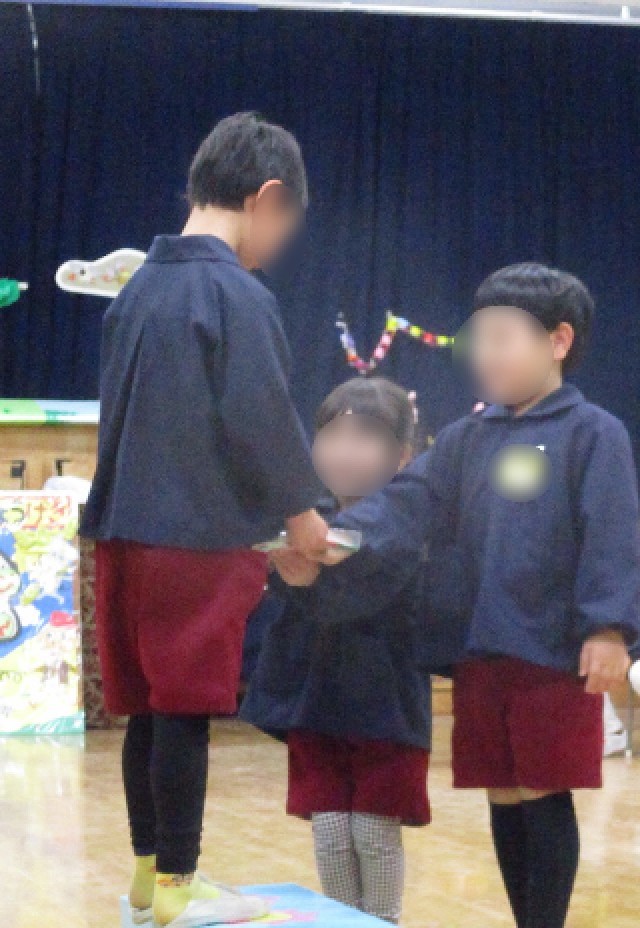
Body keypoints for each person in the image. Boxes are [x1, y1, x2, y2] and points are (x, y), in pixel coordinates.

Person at [287, 263, 640, 928]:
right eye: (481, 338)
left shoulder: (595, 434)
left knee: (542, 790)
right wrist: (336, 537)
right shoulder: (466, 438)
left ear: (558, 340)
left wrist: (608, 627)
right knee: (503, 794)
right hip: (482, 648)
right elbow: (406, 502)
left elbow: (613, 535)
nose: (487, 354)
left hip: (553, 652)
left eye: (504, 338)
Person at [80, 112, 328, 928]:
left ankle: (150, 875)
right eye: (285, 224)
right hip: (193, 539)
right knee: (184, 709)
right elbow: (261, 417)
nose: (277, 246)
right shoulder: (236, 294)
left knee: (149, 709)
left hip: (122, 533)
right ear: (268, 198)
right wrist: (301, 516)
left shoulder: (135, 292)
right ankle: (181, 887)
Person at [241, 378, 438, 925]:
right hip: (317, 707)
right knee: (329, 831)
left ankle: (383, 921)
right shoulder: (304, 518)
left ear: (402, 456)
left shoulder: (406, 518)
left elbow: (357, 588)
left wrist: (309, 577)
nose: (344, 452)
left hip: (385, 713)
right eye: (331, 435)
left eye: (364, 437)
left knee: (374, 833)